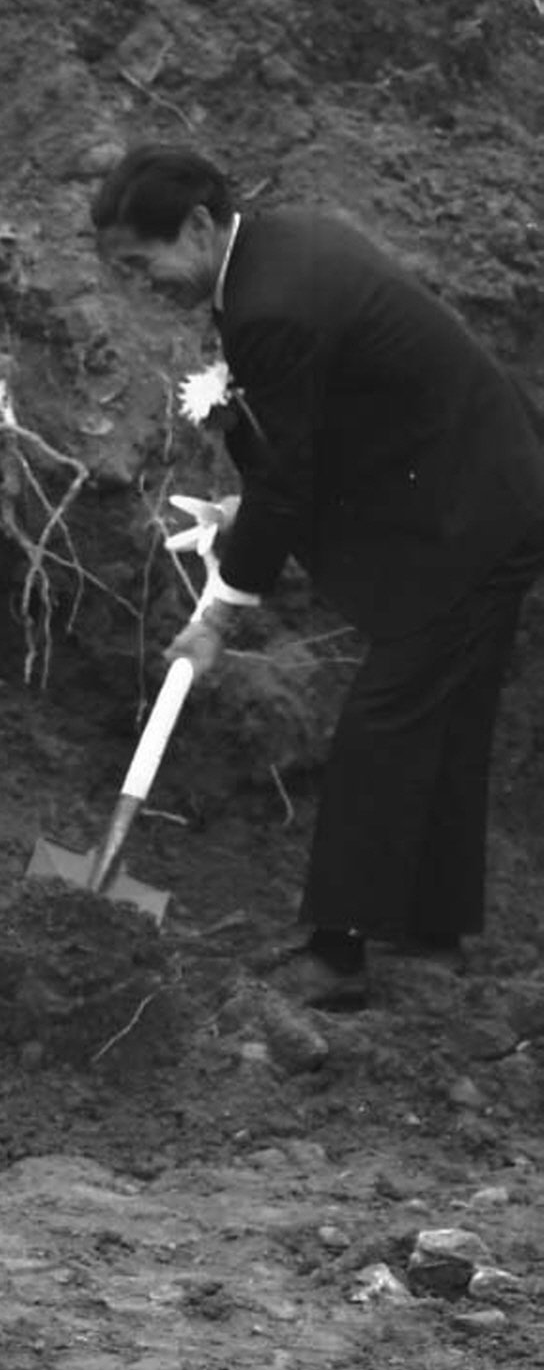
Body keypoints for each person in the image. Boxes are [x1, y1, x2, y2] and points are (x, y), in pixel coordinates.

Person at [92, 143, 544, 1009]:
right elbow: (319, 442)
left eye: (141, 264)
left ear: (194, 225)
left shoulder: (269, 305)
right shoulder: (274, 252)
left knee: (387, 719)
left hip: (471, 514)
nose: (139, 285)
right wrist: (238, 515)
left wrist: (219, 614)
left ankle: (337, 953)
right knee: (442, 717)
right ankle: (431, 934)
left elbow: (291, 482)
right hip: (478, 490)